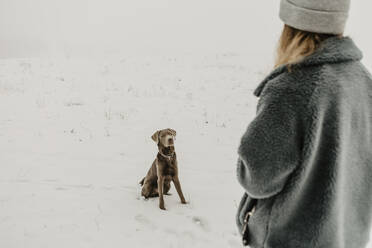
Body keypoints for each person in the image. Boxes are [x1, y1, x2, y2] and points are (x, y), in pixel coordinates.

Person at [235, 0, 372, 247]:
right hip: (347, 238)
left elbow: (258, 178)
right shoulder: (363, 80)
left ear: (290, 25)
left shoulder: (289, 88)